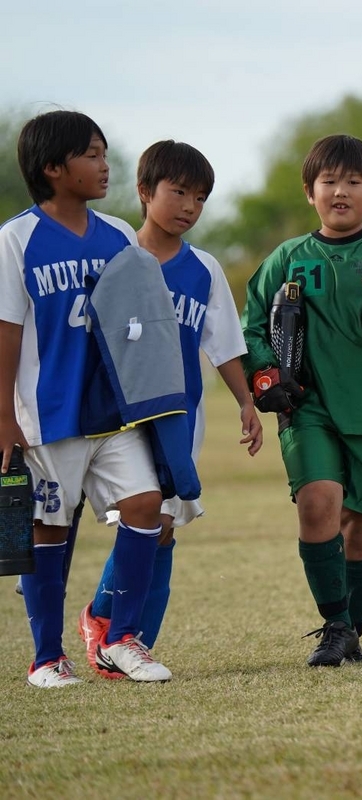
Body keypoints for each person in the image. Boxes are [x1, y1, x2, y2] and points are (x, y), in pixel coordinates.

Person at [77, 141, 264, 678]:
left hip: (180, 416)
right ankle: (116, 633)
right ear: (144, 191)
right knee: (148, 513)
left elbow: (223, 344)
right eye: (178, 192)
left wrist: (246, 402)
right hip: (119, 415)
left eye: (200, 198)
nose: (189, 206)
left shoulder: (203, 269)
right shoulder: (112, 256)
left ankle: (117, 629)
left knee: (163, 526)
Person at [0, 110, 171, 686]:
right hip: (49, 414)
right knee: (50, 529)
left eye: (104, 153)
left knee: (147, 505)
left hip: (114, 412)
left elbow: (141, 323)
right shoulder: (16, 239)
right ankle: (46, 658)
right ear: (53, 167)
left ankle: (119, 638)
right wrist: (4, 417)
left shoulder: (120, 234)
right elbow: (6, 333)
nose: (105, 165)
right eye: (92, 154)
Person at [241, 134, 362, 667]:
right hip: (306, 407)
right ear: (309, 191)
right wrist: (265, 375)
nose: (341, 191)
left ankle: (351, 633)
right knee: (318, 505)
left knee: (359, 528)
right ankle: (335, 625)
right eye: (329, 181)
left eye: (353, 182)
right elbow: (250, 326)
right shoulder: (288, 258)